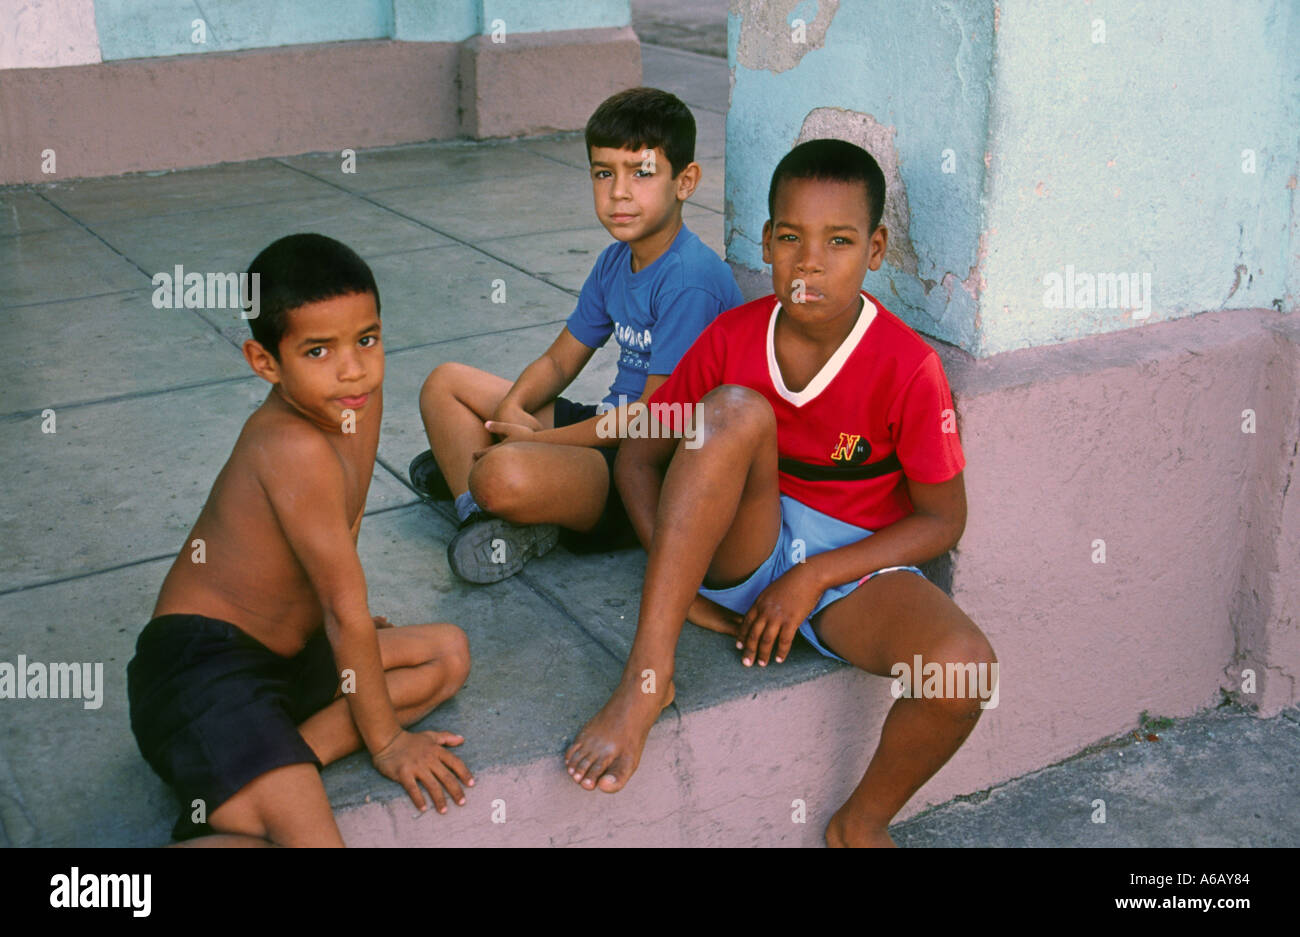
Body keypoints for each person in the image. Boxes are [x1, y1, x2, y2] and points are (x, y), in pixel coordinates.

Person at [564, 139, 997, 848]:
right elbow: (637, 461)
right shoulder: (731, 336)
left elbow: (943, 519)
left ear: (876, 248)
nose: (811, 263)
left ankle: (860, 823)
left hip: (854, 570)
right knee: (736, 409)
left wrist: (816, 575)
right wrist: (683, 591)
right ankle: (648, 675)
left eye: (840, 241)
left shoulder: (908, 366)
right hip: (744, 543)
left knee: (963, 670)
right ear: (766, 240)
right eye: (791, 238)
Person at [127, 233, 473, 847]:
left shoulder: (354, 399)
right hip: (203, 670)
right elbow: (348, 612)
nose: (352, 367)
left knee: (446, 654)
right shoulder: (291, 446)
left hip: (286, 661)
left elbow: (344, 533)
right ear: (266, 362)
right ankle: (245, 791)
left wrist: (340, 627)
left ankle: (263, 766)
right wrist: (388, 743)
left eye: (367, 339)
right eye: (318, 350)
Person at [410, 87, 742, 583]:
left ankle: (495, 490)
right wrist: (512, 410)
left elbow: (654, 419)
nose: (618, 193)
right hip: (606, 426)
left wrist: (544, 441)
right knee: (444, 384)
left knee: (500, 474)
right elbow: (560, 363)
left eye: (641, 173)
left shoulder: (690, 280)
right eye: (604, 173)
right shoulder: (615, 261)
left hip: (647, 467)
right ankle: (484, 518)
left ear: (685, 181)